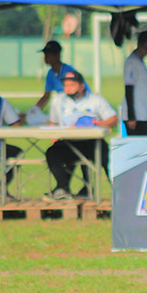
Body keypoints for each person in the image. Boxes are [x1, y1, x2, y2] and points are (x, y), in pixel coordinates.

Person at [45, 70, 117, 199]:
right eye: (66, 85)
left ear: (82, 86)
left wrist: (97, 123)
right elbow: (53, 122)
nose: (68, 88)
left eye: (72, 85)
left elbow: (113, 119)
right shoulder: (58, 100)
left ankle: (118, 192)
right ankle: (62, 188)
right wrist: (54, 136)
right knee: (52, 153)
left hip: (92, 142)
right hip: (68, 141)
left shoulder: (96, 100)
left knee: (107, 157)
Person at [121, 30, 147, 136]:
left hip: (144, 113)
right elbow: (129, 89)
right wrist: (131, 116)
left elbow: (145, 89)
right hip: (136, 115)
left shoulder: (140, 61)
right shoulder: (131, 62)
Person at [34, 40, 78, 112]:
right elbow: (46, 96)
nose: (46, 57)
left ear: (57, 55)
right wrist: (33, 111)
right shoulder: (50, 73)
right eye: (45, 55)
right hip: (64, 105)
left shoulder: (69, 72)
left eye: (49, 54)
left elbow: (76, 94)